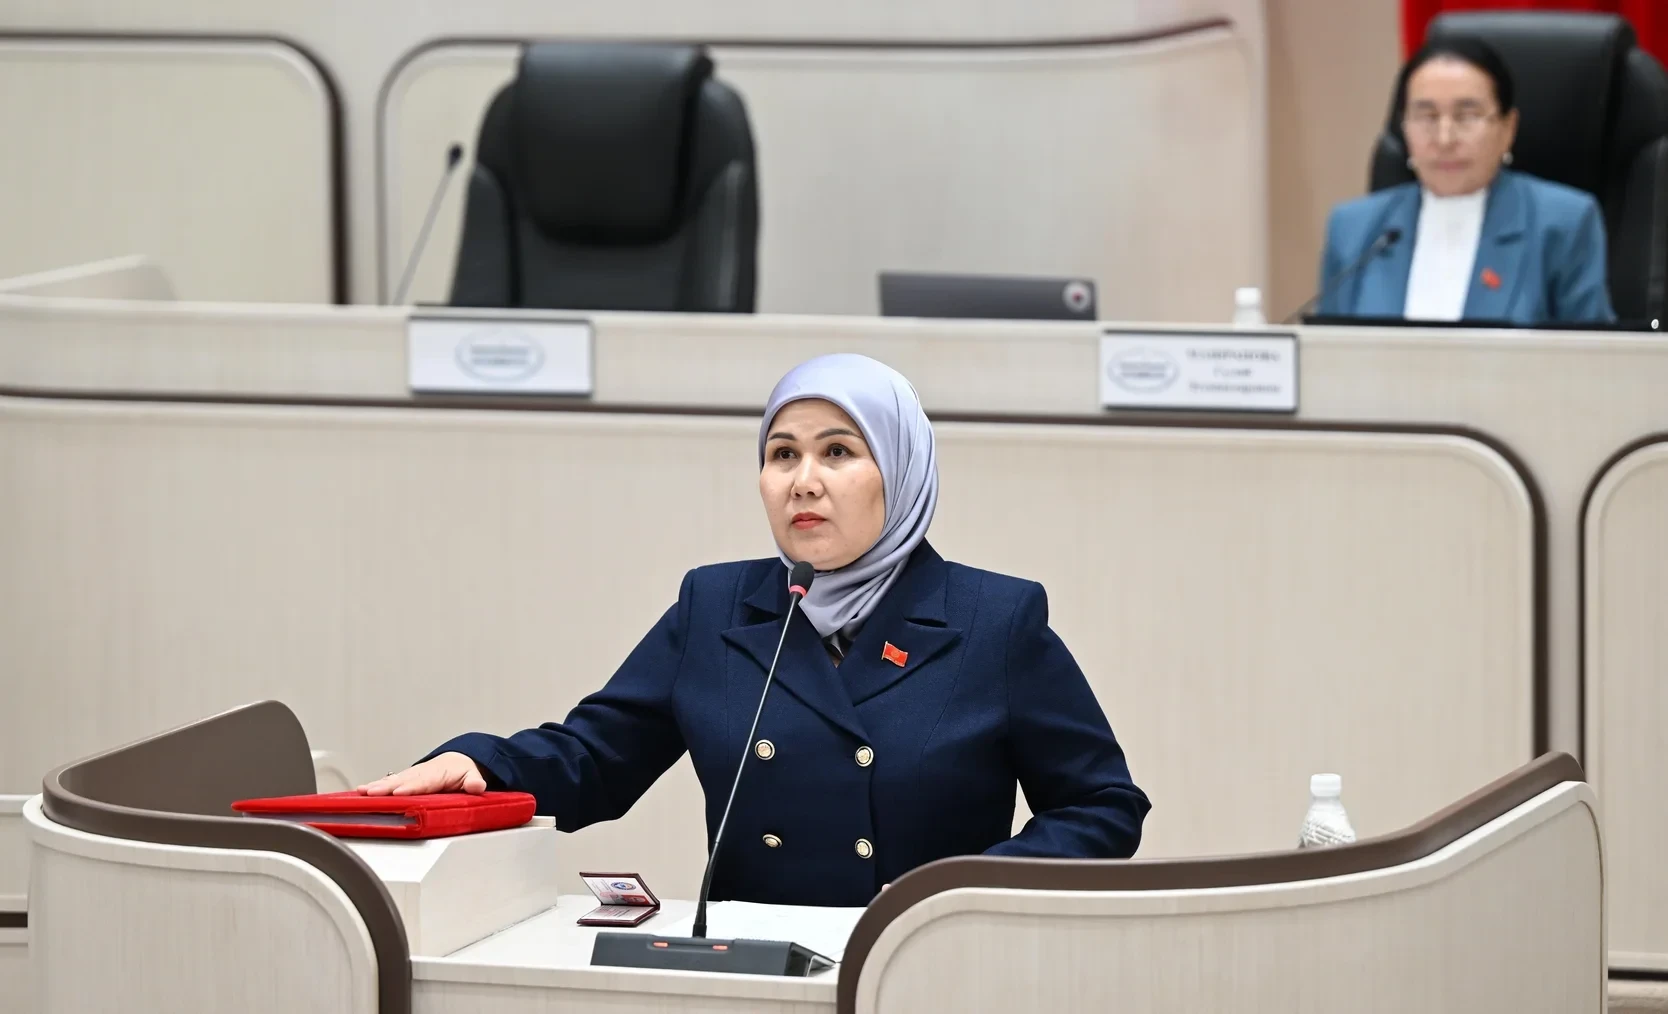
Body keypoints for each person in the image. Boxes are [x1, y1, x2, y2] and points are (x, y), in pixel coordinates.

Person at [359, 353, 1149, 908]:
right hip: (750, 970)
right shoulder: (717, 605)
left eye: (838, 452)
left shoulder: (994, 620)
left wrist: (966, 893)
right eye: (782, 454)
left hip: (923, 967)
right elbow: (594, 757)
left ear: (901, 469)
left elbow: (1102, 806)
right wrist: (480, 764)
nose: (804, 481)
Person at [1317, 36, 1616, 325]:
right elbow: (1327, 350)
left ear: (1508, 129)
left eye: (1467, 116)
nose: (1445, 139)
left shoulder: (1562, 224)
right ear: (1404, 127)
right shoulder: (1354, 229)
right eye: (1427, 117)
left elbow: (1592, 354)